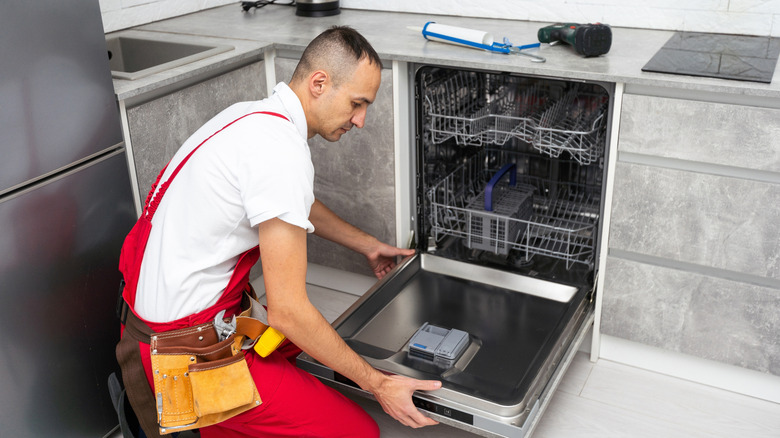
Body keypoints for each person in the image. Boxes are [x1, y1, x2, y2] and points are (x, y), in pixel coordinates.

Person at [115, 26, 441, 438]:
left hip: (153, 326)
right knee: (358, 431)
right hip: (184, 356)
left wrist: (369, 245)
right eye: (357, 103)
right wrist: (378, 384)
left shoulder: (252, 118)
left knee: (304, 346)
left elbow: (293, 203)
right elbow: (289, 311)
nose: (361, 120)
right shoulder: (281, 154)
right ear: (319, 83)